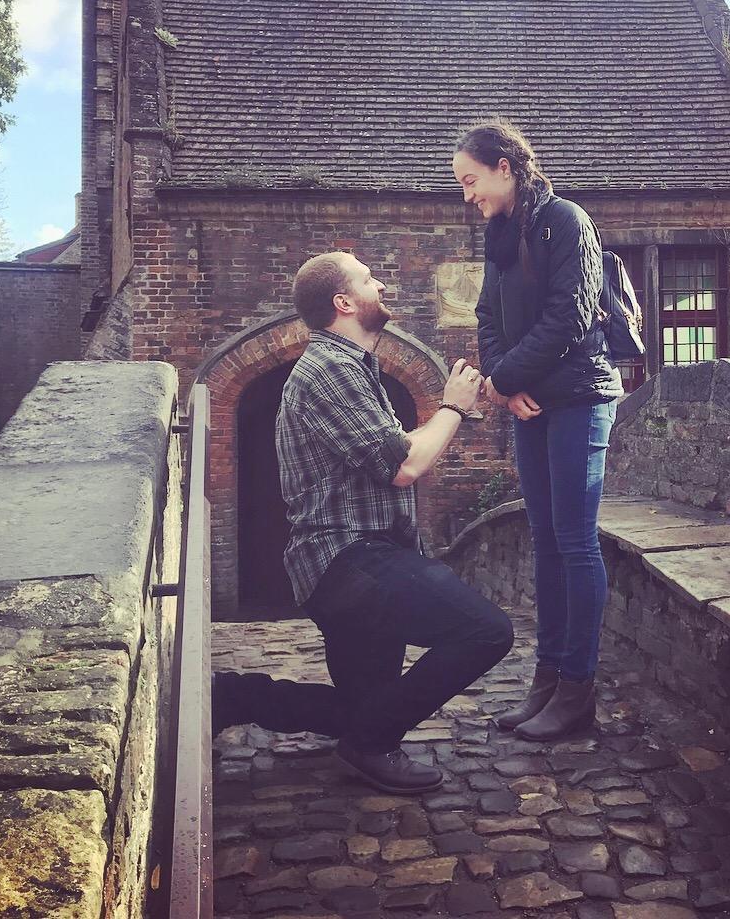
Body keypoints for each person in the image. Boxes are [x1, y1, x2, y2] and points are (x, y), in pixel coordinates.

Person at [213, 250, 514, 795]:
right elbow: (405, 465)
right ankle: (370, 744)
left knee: (361, 706)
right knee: (485, 632)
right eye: (369, 279)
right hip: (351, 561)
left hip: (357, 564)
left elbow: (397, 452)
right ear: (344, 302)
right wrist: (452, 406)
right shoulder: (329, 369)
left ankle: (230, 697)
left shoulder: (352, 368)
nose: (382, 284)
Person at [453, 118, 623, 741]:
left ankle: (579, 689)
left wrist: (504, 379)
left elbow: (570, 316)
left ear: (505, 167)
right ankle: (547, 680)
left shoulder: (565, 222)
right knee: (546, 540)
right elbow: (486, 318)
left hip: (578, 399)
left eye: (472, 180)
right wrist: (502, 378)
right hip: (530, 403)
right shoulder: (501, 238)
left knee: (576, 541)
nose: (468, 195)